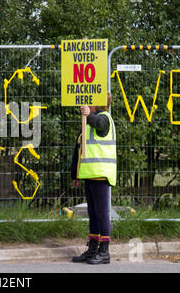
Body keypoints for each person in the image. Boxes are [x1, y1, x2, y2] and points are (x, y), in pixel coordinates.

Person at [71, 93, 116, 265]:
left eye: (91, 101)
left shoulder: (104, 119)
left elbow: (98, 123)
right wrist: (75, 175)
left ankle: (104, 252)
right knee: (93, 213)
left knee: (102, 213)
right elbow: (78, 150)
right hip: (89, 175)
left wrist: (88, 114)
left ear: (97, 104)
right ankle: (93, 249)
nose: (88, 102)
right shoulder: (87, 123)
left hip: (101, 173)